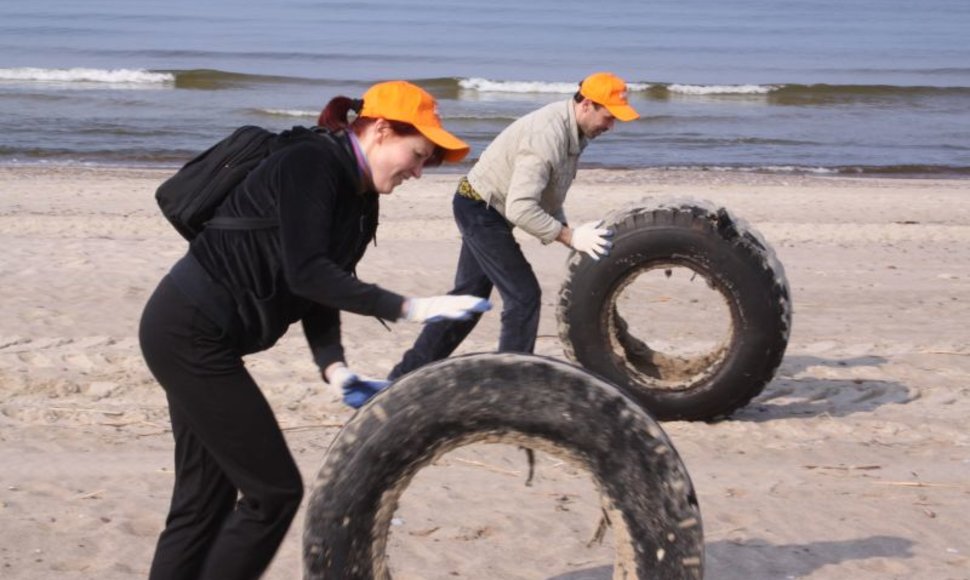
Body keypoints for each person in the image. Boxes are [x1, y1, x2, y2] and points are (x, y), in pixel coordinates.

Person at [139, 80, 490, 580]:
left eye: (426, 163)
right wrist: (412, 307)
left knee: (203, 502)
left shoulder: (359, 195)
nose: (418, 171)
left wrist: (335, 368)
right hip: (188, 331)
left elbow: (320, 287)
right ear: (381, 130)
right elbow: (309, 272)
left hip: (195, 333)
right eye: (417, 156)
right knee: (273, 492)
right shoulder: (312, 163)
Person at [388, 72, 639, 381]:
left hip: (487, 208)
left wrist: (568, 232)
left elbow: (545, 190)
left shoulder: (575, 130)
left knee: (468, 302)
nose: (610, 126)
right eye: (609, 117)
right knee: (523, 296)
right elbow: (520, 207)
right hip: (480, 209)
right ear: (588, 104)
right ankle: (509, 384)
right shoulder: (548, 137)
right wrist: (570, 236)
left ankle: (403, 376)